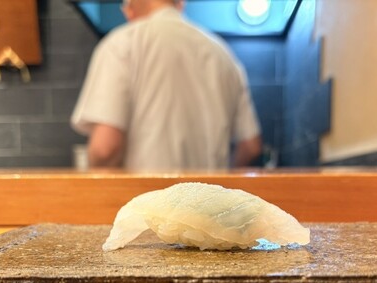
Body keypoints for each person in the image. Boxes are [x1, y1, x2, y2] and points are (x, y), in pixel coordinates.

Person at [71, 0, 262, 172]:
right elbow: (251, 146)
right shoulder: (224, 55)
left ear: (129, 10)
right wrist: (226, 183)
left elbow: (105, 150)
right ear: (180, 4)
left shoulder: (122, 43)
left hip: (145, 197)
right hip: (209, 198)